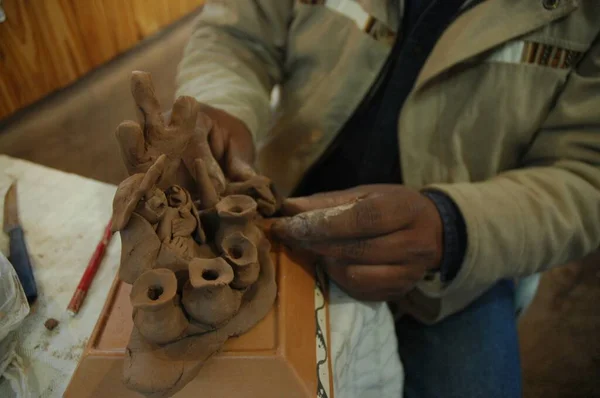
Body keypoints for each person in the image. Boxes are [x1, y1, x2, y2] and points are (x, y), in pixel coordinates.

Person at [176, 1, 600, 397]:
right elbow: (237, 33)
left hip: (463, 258)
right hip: (281, 203)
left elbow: (587, 173)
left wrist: (451, 228)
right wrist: (221, 107)